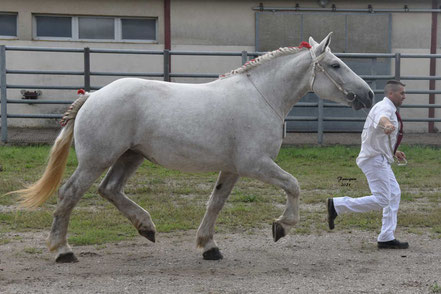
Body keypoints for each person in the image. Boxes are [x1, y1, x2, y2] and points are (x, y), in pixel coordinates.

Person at [327, 80, 408, 249]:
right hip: (374, 160)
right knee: (382, 199)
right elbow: (381, 120)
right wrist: (387, 124)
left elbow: (377, 136)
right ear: (391, 94)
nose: (404, 97)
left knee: (394, 194)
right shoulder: (384, 109)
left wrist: (393, 151)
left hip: (379, 157)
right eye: (402, 93)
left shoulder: (385, 107)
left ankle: (386, 237)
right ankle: (337, 205)